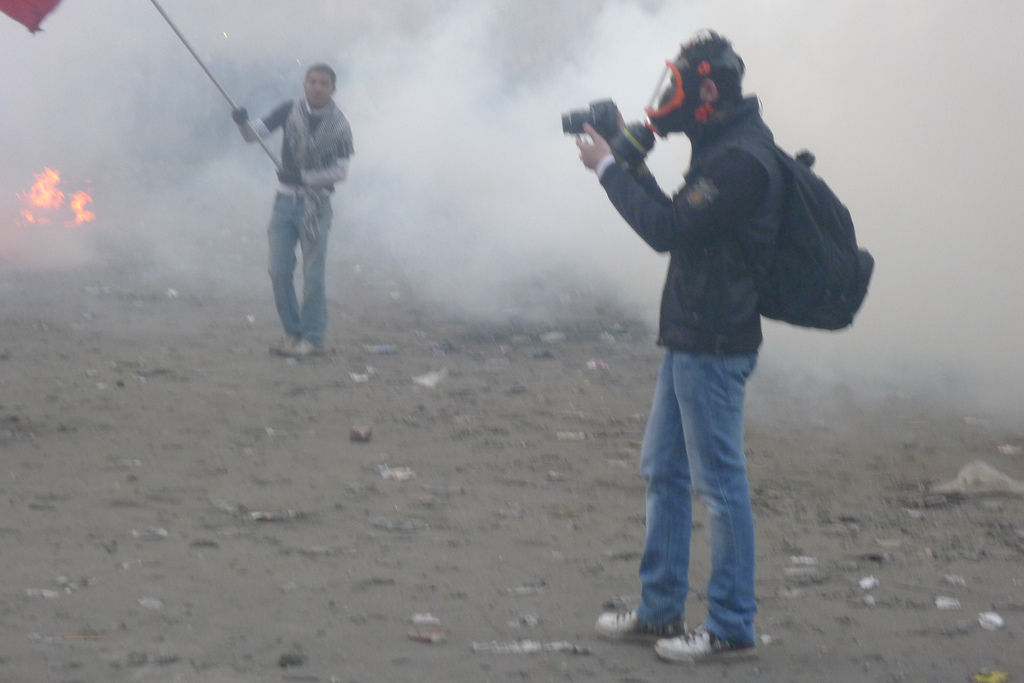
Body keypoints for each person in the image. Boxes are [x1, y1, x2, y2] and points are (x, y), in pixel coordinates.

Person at [575, 30, 784, 663]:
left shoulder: (742, 159)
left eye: (680, 85)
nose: (668, 99)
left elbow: (667, 229)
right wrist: (627, 154)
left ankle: (730, 625)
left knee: (719, 486)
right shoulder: (721, 145)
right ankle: (661, 609)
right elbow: (680, 215)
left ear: (709, 89)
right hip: (691, 336)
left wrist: (609, 167)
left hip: (715, 343)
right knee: (663, 471)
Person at [232, 63, 354, 358]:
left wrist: (305, 178)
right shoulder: (289, 110)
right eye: (312, 81)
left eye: (323, 83)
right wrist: (241, 122)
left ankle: (312, 337)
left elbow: (340, 170)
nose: (316, 87)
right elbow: (254, 135)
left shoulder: (339, 125)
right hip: (284, 203)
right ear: (304, 84)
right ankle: (292, 333)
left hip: (315, 205)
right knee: (278, 270)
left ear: (332, 89)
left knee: (313, 274)